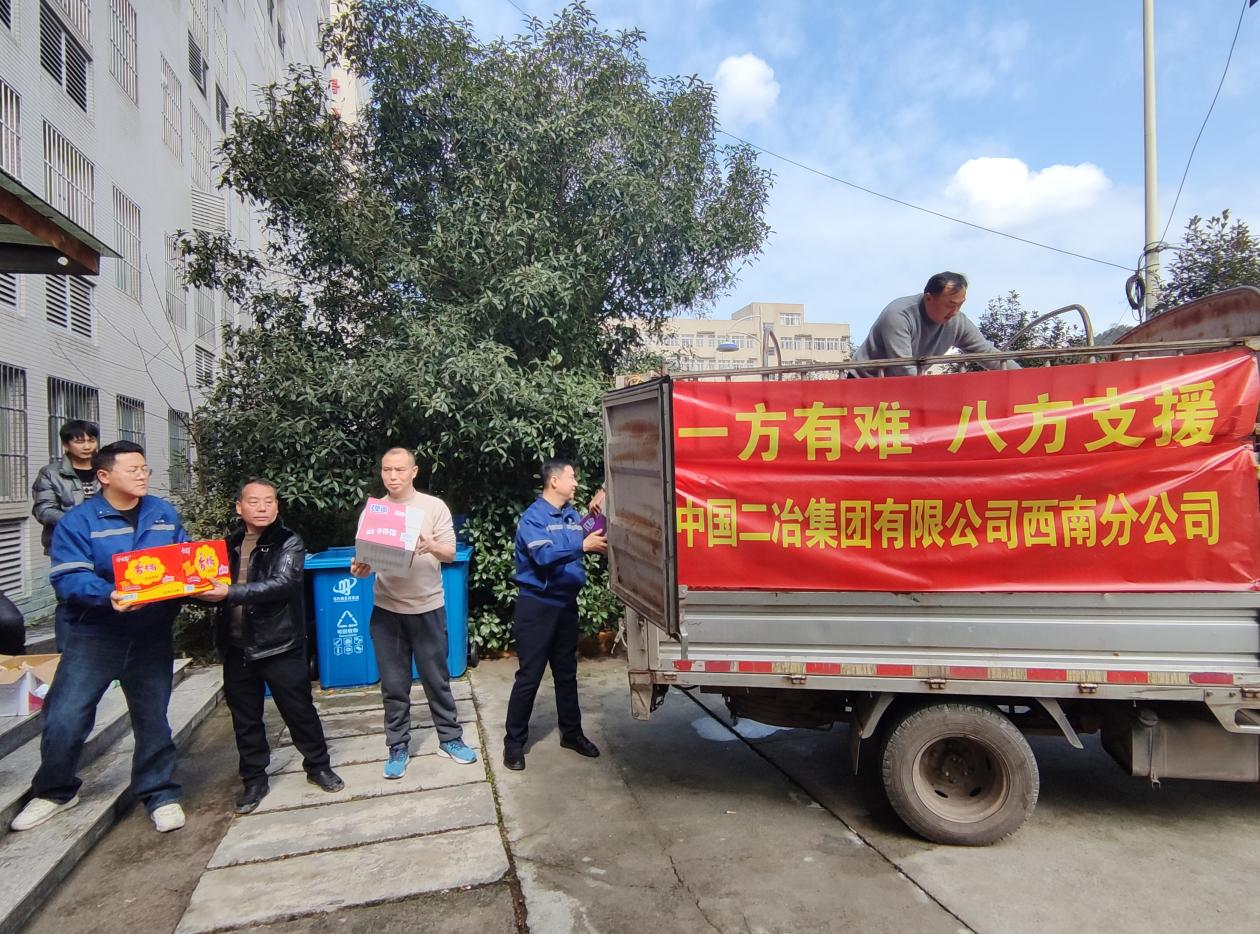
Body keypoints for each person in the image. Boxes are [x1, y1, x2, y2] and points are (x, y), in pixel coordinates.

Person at [10, 441, 188, 833]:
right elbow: (68, 576)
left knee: (152, 717)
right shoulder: (80, 521)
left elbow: (183, 560)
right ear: (104, 476)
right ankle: (55, 791)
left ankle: (159, 792)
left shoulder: (162, 513)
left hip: (150, 633)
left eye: (144, 469)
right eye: (133, 470)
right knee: (66, 716)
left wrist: (201, 584)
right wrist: (109, 595)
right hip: (94, 633)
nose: (142, 475)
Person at [200, 479, 344, 814]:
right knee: (245, 718)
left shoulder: (288, 541)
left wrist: (228, 593)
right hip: (237, 647)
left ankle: (318, 765)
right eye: (254, 501)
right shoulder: (227, 545)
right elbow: (211, 589)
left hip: (279, 644)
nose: (263, 507)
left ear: (277, 506)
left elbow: (283, 584)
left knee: (299, 710)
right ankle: (254, 779)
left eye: (269, 501)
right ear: (239, 507)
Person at [349, 448, 478, 778]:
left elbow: (451, 554)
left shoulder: (433, 507)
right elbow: (364, 564)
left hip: (427, 608)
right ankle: (397, 745)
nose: (392, 476)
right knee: (394, 686)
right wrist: (359, 569)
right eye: (386, 470)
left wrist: (430, 545)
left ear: (414, 472)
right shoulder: (374, 513)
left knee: (437, 680)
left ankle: (449, 738)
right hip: (387, 611)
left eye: (399, 470)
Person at [502, 457, 608, 772]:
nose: (576, 483)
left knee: (566, 673)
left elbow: (590, 532)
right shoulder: (533, 518)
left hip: (566, 605)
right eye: (572, 477)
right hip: (537, 606)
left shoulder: (572, 516)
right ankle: (513, 743)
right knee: (530, 676)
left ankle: (571, 734)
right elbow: (544, 555)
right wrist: (582, 546)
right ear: (554, 481)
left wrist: (603, 501)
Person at [850, 272, 1021, 377]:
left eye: (960, 305)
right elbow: (903, 368)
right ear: (928, 298)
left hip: (903, 388)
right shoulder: (899, 315)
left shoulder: (957, 322)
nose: (955, 311)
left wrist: (1026, 378)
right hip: (863, 384)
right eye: (950, 305)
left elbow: (988, 354)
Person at [31, 419, 101, 650]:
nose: (87, 446)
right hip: (68, 546)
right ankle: (67, 655)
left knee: (106, 596)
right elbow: (44, 510)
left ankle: (103, 653)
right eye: (79, 441)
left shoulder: (106, 468)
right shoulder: (51, 474)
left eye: (91, 440)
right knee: (70, 598)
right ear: (66, 445)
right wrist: (78, 524)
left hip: (105, 544)